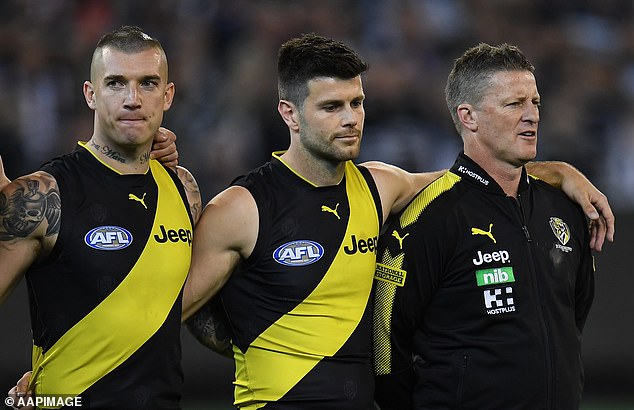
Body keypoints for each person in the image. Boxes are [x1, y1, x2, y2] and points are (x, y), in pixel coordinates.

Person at [181, 34, 613, 409]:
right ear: (289, 114)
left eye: (357, 103)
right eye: (332, 107)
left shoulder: (378, 186)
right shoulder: (242, 206)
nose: (351, 118)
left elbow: (475, 178)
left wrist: (559, 172)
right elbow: (167, 311)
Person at [372, 43, 599, 409]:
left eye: (535, 102)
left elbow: (572, 319)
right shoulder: (430, 218)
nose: (532, 116)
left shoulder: (566, 211)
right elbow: (384, 347)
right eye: (514, 104)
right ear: (469, 117)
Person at [0, 26, 201, 409]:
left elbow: (175, 304)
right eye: (115, 83)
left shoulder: (184, 189)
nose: (132, 99)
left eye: (147, 83)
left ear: (168, 95)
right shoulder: (44, 195)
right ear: (90, 94)